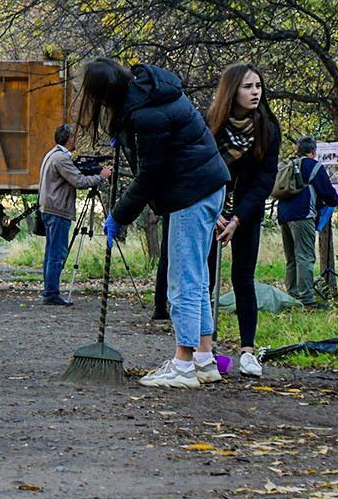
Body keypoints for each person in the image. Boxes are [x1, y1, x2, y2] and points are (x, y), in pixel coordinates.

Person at [90, 59, 230, 389]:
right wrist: (125, 138)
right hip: (209, 187)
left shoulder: (147, 114)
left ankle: (182, 364)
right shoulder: (151, 92)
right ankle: (204, 359)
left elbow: (150, 176)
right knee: (198, 275)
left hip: (190, 194)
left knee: (183, 279)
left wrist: (119, 215)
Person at [205, 64, 280, 375]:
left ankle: (248, 351)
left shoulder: (268, 128)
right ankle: (202, 348)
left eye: (258, 86)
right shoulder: (212, 125)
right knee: (204, 280)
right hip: (211, 210)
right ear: (232, 90)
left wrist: (237, 218)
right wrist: (217, 212)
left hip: (247, 212)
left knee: (243, 279)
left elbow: (265, 180)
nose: (255, 92)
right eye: (248, 86)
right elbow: (202, 168)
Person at [37, 123, 103, 305]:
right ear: (69, 139)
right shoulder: (61, 158)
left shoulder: (52, 154)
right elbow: (79, 181)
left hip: (49, 208)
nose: (76, 141)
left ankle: (49, 290)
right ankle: (51, 293)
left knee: (51, 252)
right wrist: (101, 176)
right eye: (74, 138)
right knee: (57, 253)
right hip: (58, 209)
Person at [274, 137, 338, 304]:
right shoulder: (313, 165)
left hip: (283, 215)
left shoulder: (289, 164)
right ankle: (306, 299)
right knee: (305, 256)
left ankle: (292, 295)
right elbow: (328, 192)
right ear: (313, 151)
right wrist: (334, 201)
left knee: (291, 258)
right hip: (303, 215)